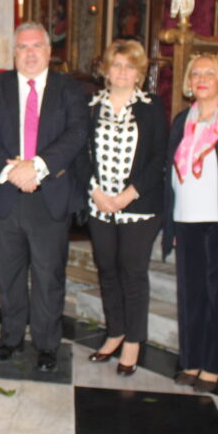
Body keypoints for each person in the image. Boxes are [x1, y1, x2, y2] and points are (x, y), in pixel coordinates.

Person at [0, 23, 88, 372]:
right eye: (23, 47)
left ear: (49, 52)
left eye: (37, 45)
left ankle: (47, 344)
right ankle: (10, 339)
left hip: (49, 194)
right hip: (5, 194)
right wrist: (10, 171)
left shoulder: (70, 89)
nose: (30, 53)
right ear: (14, 53)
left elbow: (77, 133)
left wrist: (36, 166)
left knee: (48, 276)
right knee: (8, 275)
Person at [162, 54, 218, 393]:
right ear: (188, 81)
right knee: (192, 296)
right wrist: (171, 224)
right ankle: (191, 360)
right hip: (186, 218)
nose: (201, 79)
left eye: (209, 73)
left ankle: (214, 365)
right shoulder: (181, 120)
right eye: (195, 73)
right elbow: (171, 173)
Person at [85, 39, 166, 376]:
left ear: (139, 73)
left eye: (129, 66)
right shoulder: (90, 105)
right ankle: (115, 331)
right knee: (107, 270)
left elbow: (158, 157)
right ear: (106, 70)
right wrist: (95, 191)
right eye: (116, 65)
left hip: (139, 206)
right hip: (99, 204)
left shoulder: (151, 106)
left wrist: (128, 195)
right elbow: (80, 153)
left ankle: (133, 340)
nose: (122, 72)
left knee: (132, 272)